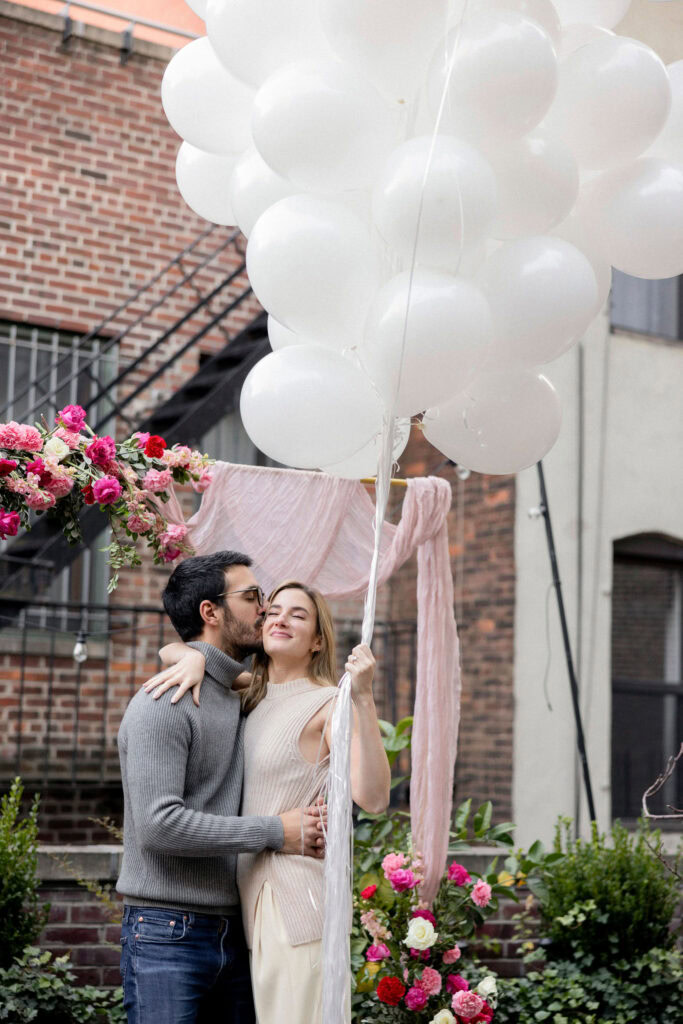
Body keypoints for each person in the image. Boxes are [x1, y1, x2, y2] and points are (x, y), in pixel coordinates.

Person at [148, 578, 391, 1024]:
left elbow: (374, 797)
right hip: (248, 907)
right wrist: (187, 657)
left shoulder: (329, 704)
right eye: (273, 610)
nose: (280, 618)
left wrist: (363, 696)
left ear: (318, 640)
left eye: (298, 615)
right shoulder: (248, 693)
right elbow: (170, 650)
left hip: (295, 904)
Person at [117, 552, 326, 1024]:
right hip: (166, 932)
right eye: (253, 597)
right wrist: (277, 830)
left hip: (236, 931)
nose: (266, 609)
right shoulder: (165, 703)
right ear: (211, 613)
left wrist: (185, 653)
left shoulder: (238, 694)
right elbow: (158, 827)